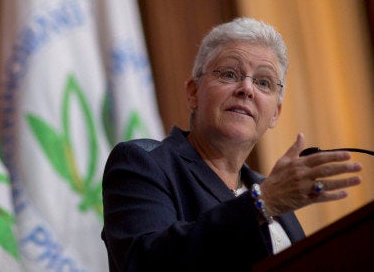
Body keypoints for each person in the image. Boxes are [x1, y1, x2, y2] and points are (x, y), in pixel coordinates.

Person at [101, 17, 363, 271]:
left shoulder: (269, 188)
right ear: (193, 93)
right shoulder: (143, 164)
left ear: (275, 113)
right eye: (229, 74)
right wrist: (262, 203)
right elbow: (145, 263)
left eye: (263, 82)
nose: (247, 88)